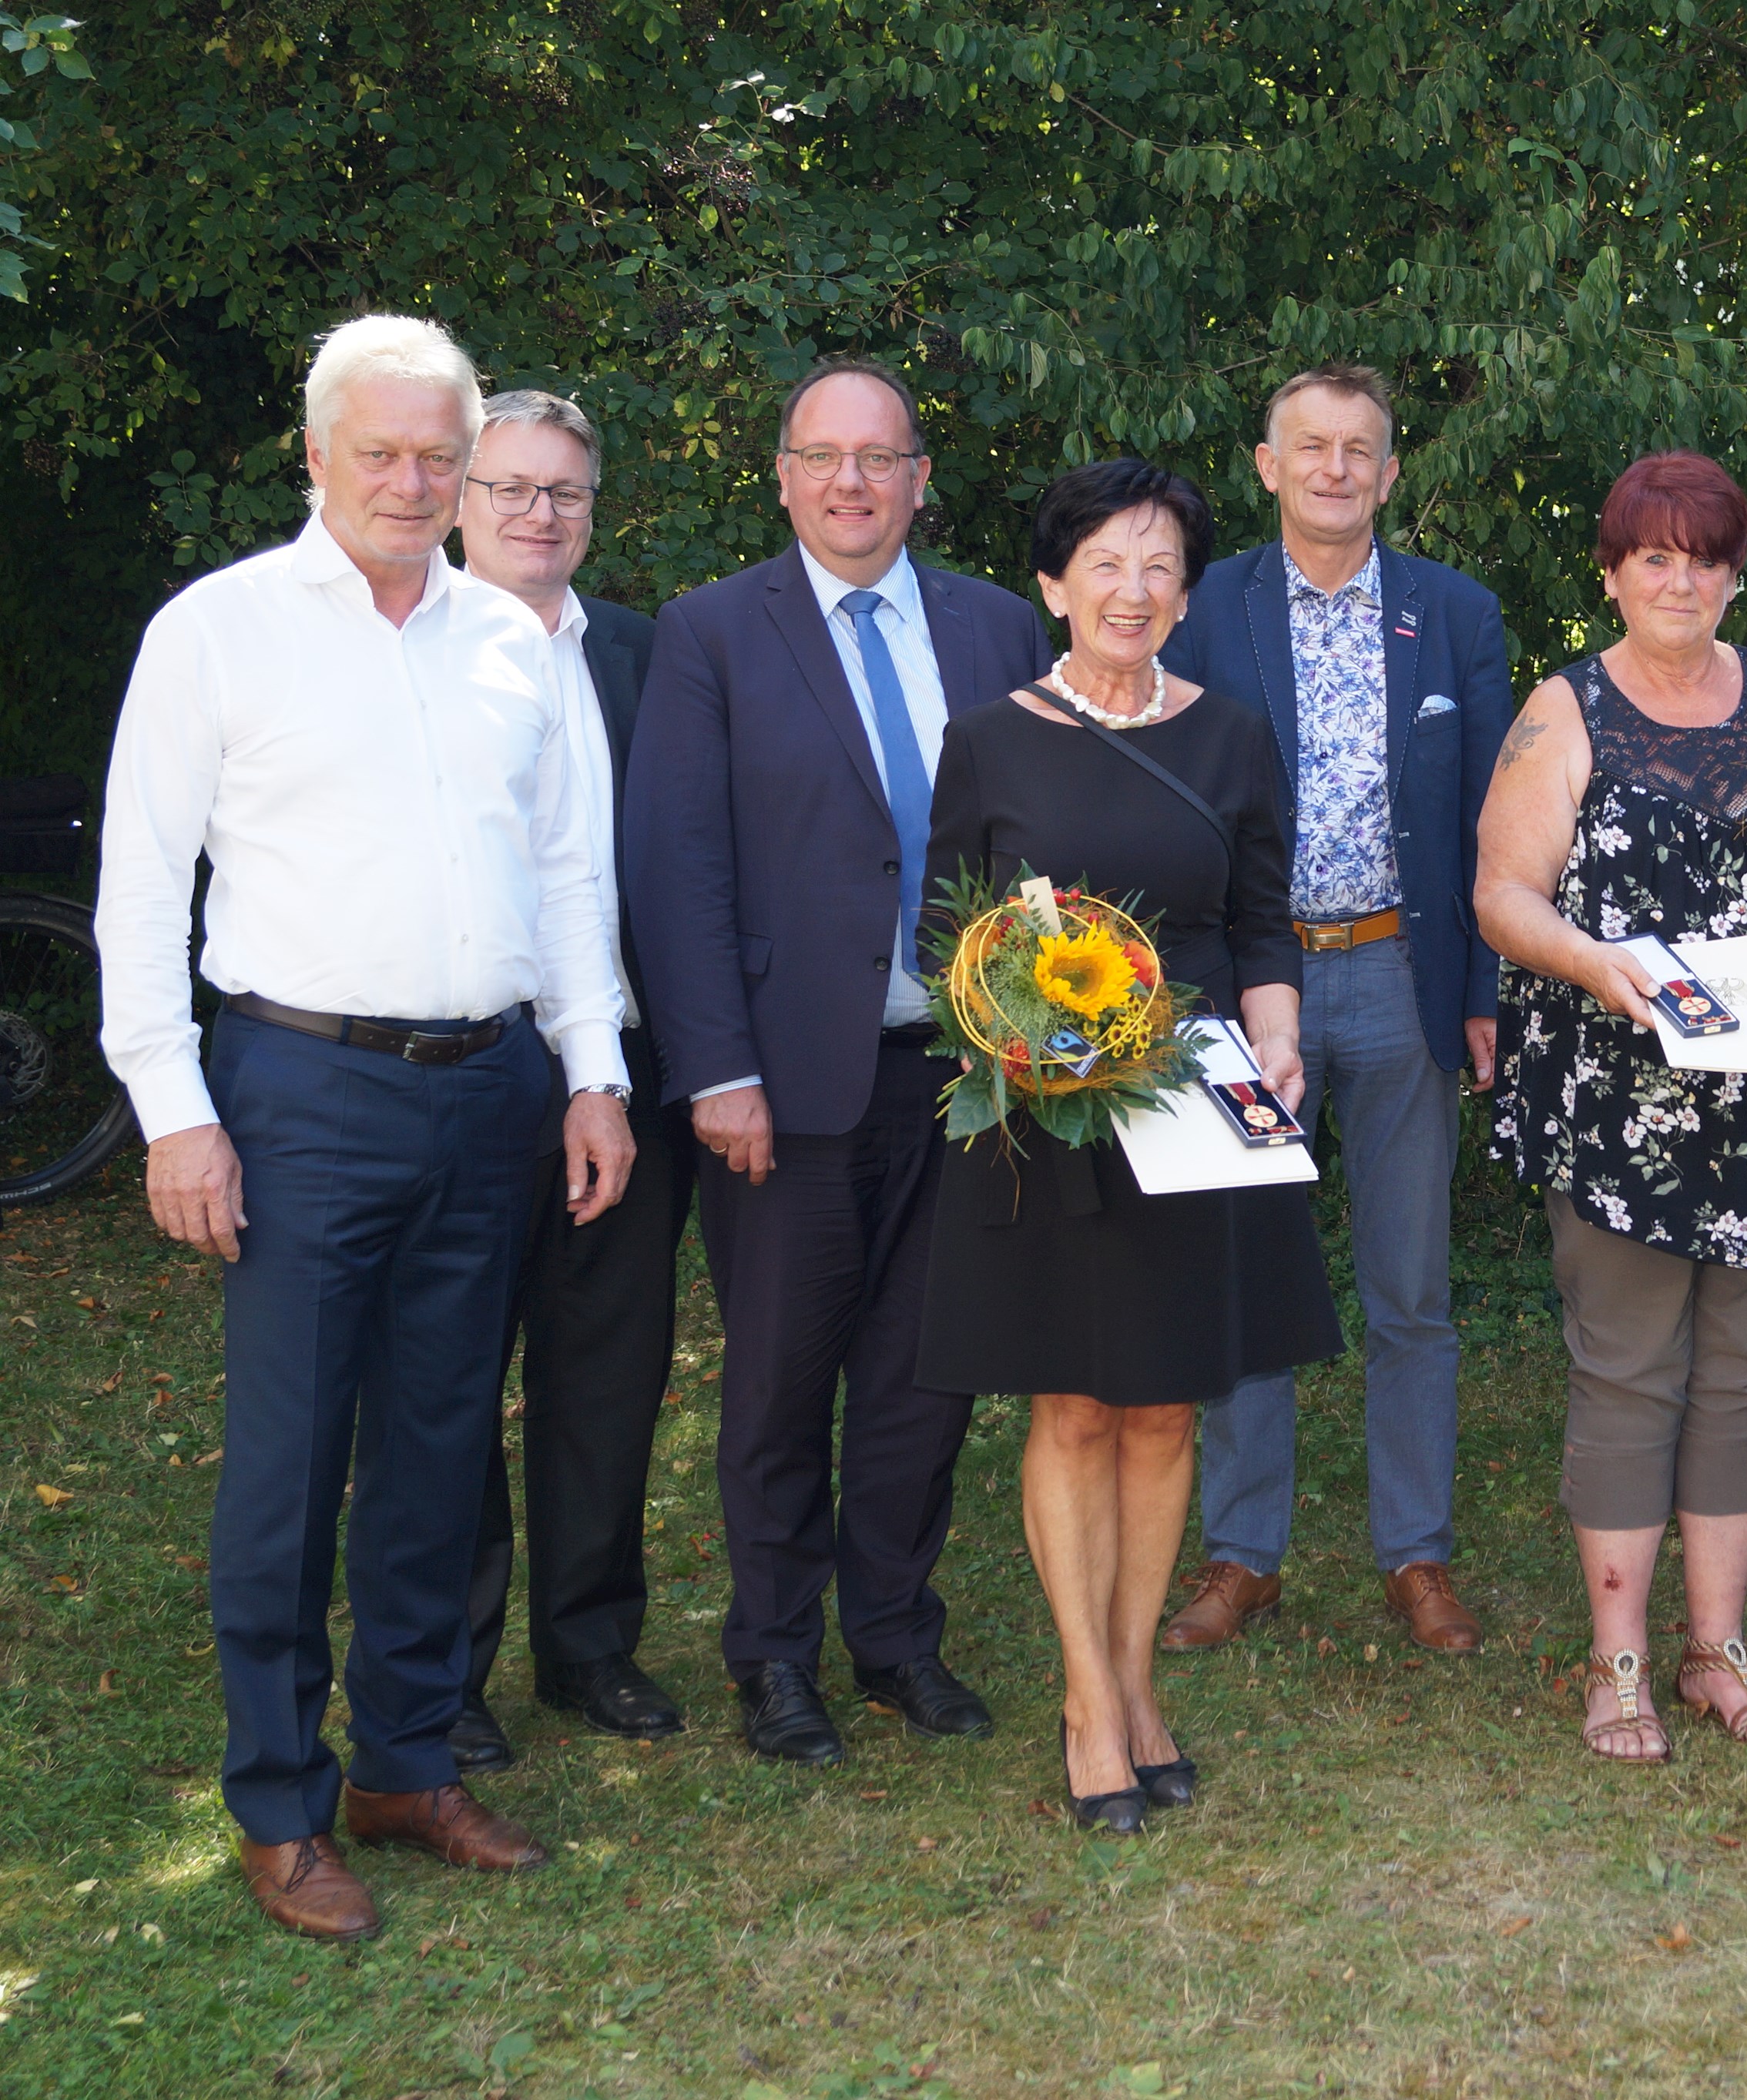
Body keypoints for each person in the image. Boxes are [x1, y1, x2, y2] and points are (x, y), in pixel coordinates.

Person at [97, 315, 633, 1941]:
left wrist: (590, 1063)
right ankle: (280, 1794)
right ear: (315, 455)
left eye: (436, 454)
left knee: (437, 1442)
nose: (411, 481)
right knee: (288, 1459)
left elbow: (564, 871)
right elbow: (140, 886)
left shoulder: (511, 638)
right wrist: (173, 1110)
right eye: (379, 451)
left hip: (489, 1089)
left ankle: (406, 1760)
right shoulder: (220, 630)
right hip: (299, 1092)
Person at [625, 358, 1052, 1767]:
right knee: (780, 1380)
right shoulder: (712, 634)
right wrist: (715, 1072)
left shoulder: (994, 627)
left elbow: (1035, 843)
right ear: (786, 474)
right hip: (785, 1085)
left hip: (963, 1073)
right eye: (825, 456)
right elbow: (676, 869)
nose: (853, 483)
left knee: (924, 1379)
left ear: (921, 478)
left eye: (880, 458)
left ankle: (893, 1637)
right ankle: (772, 1654)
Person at [917, 457, 1343, 1831]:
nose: (1132, 589)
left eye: (1159, 565)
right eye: (1104, 562)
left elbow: (1265, 916)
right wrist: (1018, 1039)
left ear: (1185, 592)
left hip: (1198, 1104)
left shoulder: (1230, 732)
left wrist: (1277, 1038)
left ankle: (1140, 1678)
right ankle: (1090, 1698)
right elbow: (949, 935)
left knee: (1166, 1404)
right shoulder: (990, 737)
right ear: (1053, 582)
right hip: (1049, 1115)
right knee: (1075, 1402)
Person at [1477, 452, 1747, 1761]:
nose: (1678, 578)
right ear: (1612, 571)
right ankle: (1620, 1664)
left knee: (1742, 1377)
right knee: (1629, 1375)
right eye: (1651, 555)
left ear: (1732, 573)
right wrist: (1606, 971)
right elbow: (1503, 895)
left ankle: (1718, 1651)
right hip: (1618, 1100)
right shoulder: (1566, 706)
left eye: (1701, 556)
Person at [1154, 364, 1512, 1657]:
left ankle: (1415, 1552)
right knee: (1247, 1276)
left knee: (1410, 1287)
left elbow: (1495, 822)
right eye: (1310, 446)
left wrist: (1480, 992)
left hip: (1400, 976)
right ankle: (1245, 1552)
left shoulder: (1454, 615)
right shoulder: (1201, 614)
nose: (1333, 468)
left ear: (1390, 472)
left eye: (1358, 448)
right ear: (1266, 464)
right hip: (1251, 985)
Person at [448, 387, 702, 1771]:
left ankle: (590, 1644)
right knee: (452, 1370)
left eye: (564, 492)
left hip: (632, 1064)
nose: (539, 515)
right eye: (512, 489)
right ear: (464, 500)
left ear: (595, 510)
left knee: (607, 1367)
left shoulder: (652, 658)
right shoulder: (416, 653)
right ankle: (454, 1659)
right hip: (476, 1063)